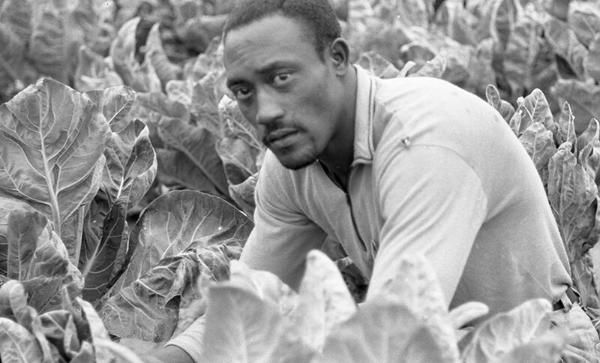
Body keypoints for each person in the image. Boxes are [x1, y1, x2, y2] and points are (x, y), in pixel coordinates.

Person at [153, 0, 599, 362]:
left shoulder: (426, 144)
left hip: (539, 348)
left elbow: (392, 329)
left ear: (338, 59)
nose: (264, 111)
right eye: (244, 91)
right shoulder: (291, 164)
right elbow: (253, 298)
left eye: (281, 77)